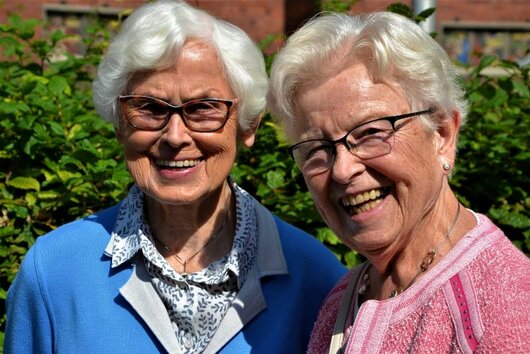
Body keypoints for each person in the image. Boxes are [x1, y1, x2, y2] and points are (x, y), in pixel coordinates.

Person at [4, 1, 346, 353]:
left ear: (248, 125)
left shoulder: (314, 278)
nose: (176, 136)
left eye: (203, 108)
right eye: (150, 108)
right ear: (120, 124)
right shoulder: (54, 270)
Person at [267, 11, 530, 353]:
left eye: (371, 132)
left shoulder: (503, 308)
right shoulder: (342, 300)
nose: (342, 170)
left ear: (443, 134)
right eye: (317, 149)